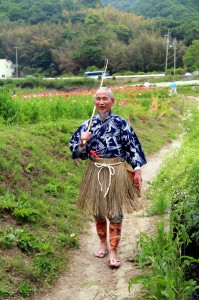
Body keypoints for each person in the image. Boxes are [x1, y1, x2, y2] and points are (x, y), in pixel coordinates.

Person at [69, 87, 147, 268]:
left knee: (115, 213)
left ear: (112, 101)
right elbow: (78, 153)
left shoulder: (121, 123)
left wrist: (137, 170)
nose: (101, 102)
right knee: (98, 211)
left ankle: (113, 250)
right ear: (94, 102)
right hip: (95, 171)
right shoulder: (87, 125)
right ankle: (103, 244)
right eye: (98, 99)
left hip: (116, 170)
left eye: (105, 99)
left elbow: (133, 147)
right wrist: (82, 141)